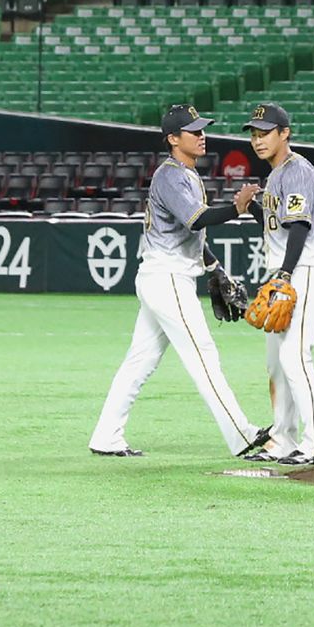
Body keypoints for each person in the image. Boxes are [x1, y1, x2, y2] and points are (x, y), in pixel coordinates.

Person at [90, 105, 263, 457]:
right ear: (173, 139)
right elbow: (197, 220)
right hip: (167, 278)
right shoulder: (170, 175)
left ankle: (106, 437)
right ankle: (243, 436)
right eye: (193, 131)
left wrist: (215, 269)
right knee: (203, 356)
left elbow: (193, 237)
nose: (202, 136)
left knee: (139, 361)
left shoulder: (185, 173)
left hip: (164, 275)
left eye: (202, 129)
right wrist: (238, 209)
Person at [241, 102, 314, 466]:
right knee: (278, 364)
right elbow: (277, 225)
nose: (258, 139)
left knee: (295, 357)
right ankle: (282, 439)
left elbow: (300, 226)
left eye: (265, 132)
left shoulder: (297, 170)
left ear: (285, 133)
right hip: (290, 273)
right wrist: (251, 208)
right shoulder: (275, 175)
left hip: (306, 272)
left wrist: (283, 273)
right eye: (254, 133)